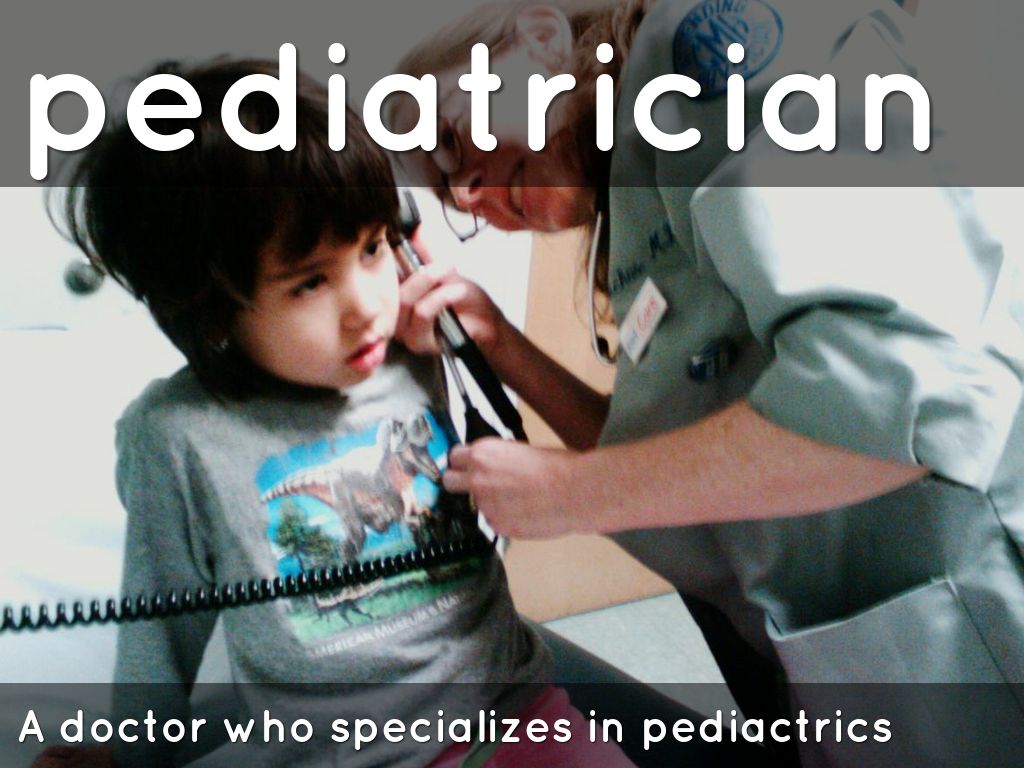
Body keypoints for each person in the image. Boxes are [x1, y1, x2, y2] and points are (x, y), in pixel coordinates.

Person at [393, 1, 1024, 765]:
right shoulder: (638, 206)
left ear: (538, 37)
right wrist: (499, 341)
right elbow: (668, 461)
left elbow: (905, 396)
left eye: (451, 141)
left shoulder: (705, 49)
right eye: (447, 194)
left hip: (962, 618)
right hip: (830, 643)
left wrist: (568, 493)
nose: (466, 194)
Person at [36, 57, 640, 768]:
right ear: (211, 310)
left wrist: (481, 339)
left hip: (518, 715)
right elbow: (159, 635)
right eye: (310, 283)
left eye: (374, 248)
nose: (366, 306)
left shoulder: (415, 350)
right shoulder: (177, 439)